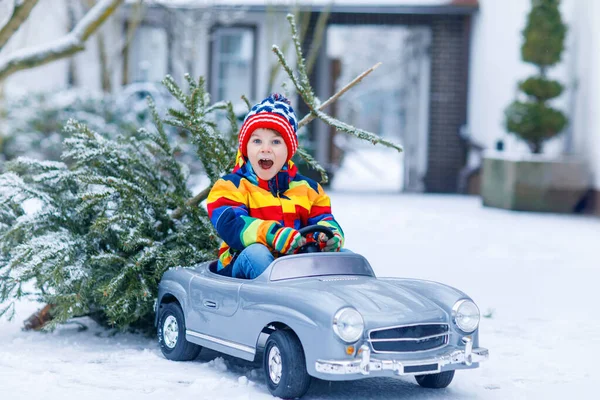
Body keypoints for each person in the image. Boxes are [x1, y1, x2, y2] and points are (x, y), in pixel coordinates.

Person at [206, 93, 344, 279]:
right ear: (245, 148)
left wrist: (329, 236)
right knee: (258, 254)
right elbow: (231, 224)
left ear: (289, 150)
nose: (265, 148)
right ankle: (276, 304)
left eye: (276, 142)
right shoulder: (231, 186)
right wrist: (272, 234)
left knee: (345, 257)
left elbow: (323, 218)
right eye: (256, 141)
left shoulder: (309, 189)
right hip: (242, 266)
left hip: (295, 267)